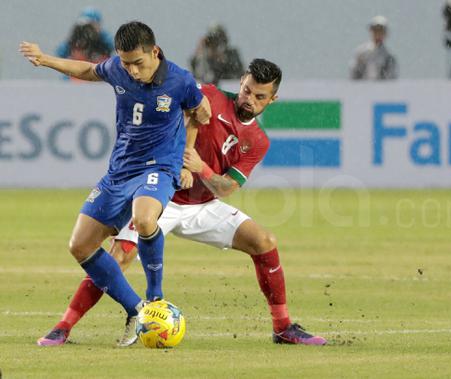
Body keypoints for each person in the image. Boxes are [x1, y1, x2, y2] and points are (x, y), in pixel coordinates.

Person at [36, 59, 327, 346]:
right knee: (119, 257)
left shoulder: (258, 140)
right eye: (247, 90)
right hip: (162, 197)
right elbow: (189, 116)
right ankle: (64, 326)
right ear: (241, 81)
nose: (249, 99)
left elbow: (227, 187)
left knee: (264, 241)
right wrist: (182, 161)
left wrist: (201, 168)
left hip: (204, 206)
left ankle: (283, 327)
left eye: (260, 96)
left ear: (272, 99)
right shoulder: (210, 95)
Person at [20, 20, 211, 346]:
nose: (133, 71)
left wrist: (188, 147)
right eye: (126, 63)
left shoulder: (180, 81)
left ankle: (155, 300)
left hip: (158, 168)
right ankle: (136, 308)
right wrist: (46, 59)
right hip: (119, 171)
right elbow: (87, 69)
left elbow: (202, 112)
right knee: (79, 245)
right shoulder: (119, 70)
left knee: (144, 218)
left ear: (155, 51)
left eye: (138, 62)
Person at [350, 15, 398, 80]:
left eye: (380, 30)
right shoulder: (361, 53)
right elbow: (354, 75)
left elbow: (391, 79)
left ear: (385, 33)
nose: (378, 34)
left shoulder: (389, 57)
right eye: (375, 30)